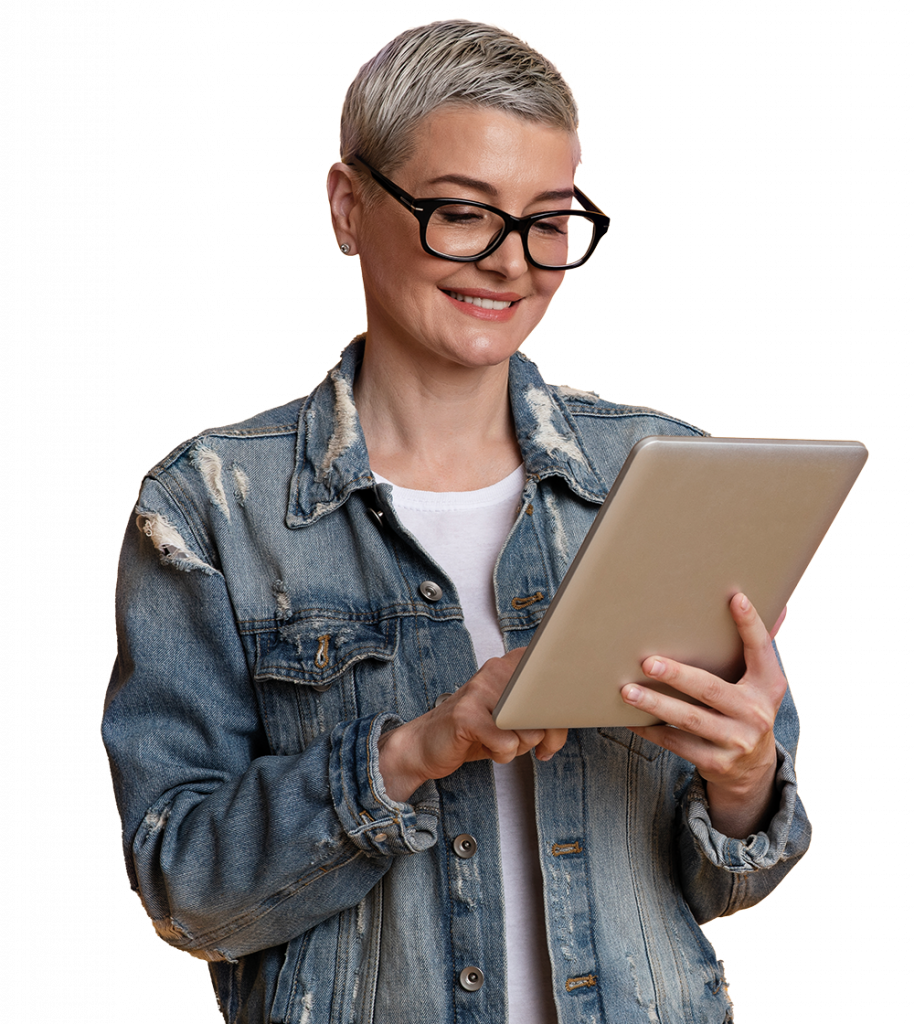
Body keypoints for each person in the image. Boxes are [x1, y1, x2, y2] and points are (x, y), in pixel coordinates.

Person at [102, 20, 811, 1023]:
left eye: (549, 221)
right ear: (349, 206)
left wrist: (745, 779)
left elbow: (727, 884)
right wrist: (414, 749)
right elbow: (182, 887)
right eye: (462, 213)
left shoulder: (665, 470)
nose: (511, 264)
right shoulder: (210, 505)